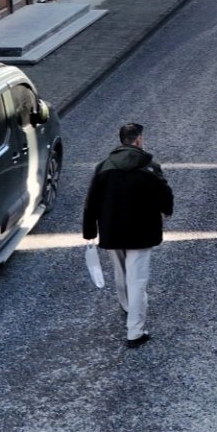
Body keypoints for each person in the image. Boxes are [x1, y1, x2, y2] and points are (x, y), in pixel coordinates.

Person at [83, 122, 175, 349]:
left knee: (120, 273)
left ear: (121, 140)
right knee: (138, 280)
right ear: (139, 140)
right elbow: (164, 194)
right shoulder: (149, 167)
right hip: (142, 232)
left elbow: (92, 201)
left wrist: (89, 230)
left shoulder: (103, 166)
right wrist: (167, 210)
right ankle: (135, 331)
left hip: (112, 230)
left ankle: (126, 306)